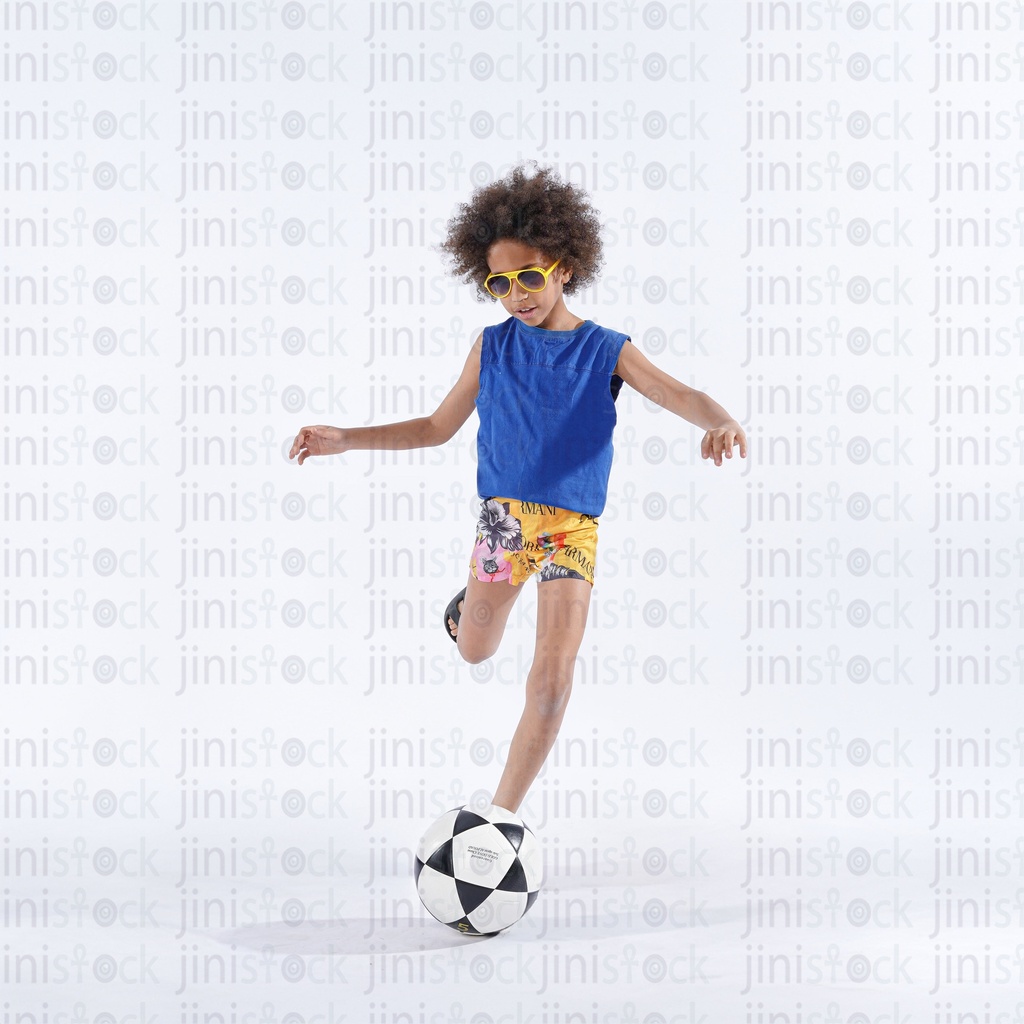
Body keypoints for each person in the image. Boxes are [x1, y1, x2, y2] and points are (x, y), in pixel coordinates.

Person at [289, 163, 747, 816]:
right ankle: (466, 611)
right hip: (504, 526)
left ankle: (499, 820)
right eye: (498, 283)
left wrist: (720, 419)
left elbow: (676, 392)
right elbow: (434, 427)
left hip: (571, 531)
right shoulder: (493, 348)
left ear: (563, 266)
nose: (516, 295)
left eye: (528, 277)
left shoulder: (605, 349)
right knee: (476, 649)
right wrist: (347, 437)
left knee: (552, 681)